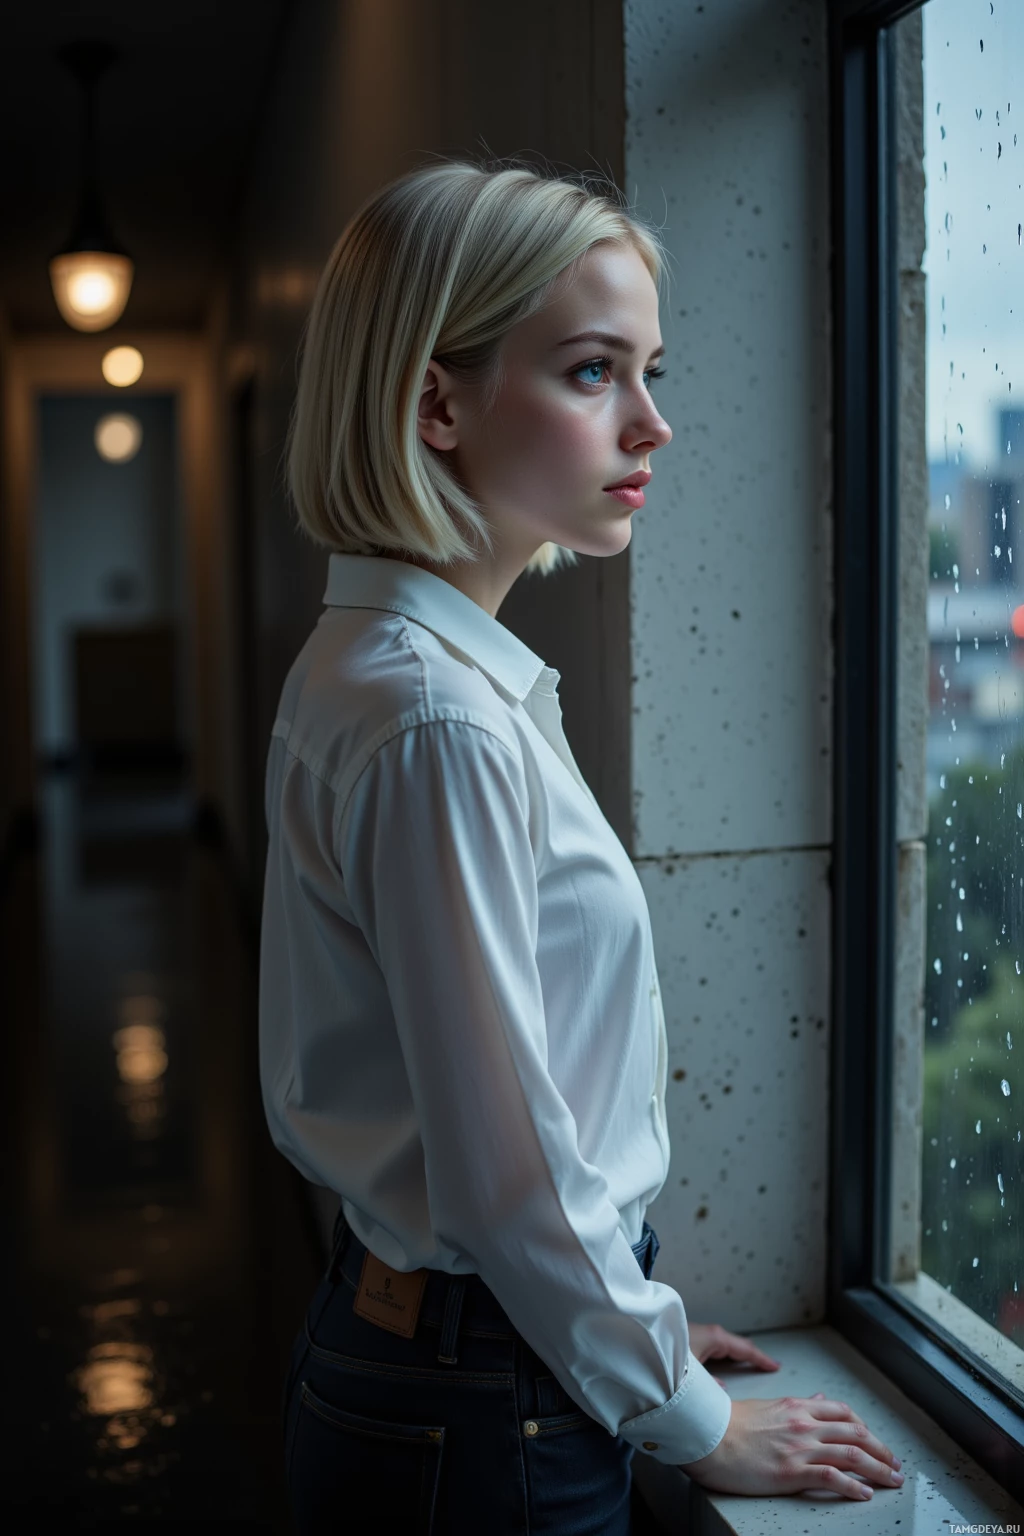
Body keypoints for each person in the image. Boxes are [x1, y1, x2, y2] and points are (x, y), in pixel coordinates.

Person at [259, 155, 905, 1534]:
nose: (654, 426)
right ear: (436, 402)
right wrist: (687, 1414)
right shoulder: (438, 720)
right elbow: (503, 1180)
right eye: (595, 372)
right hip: (482, 1400)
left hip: (472, 1359)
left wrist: (636, 1333)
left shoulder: (381, 668)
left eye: (648, 370)